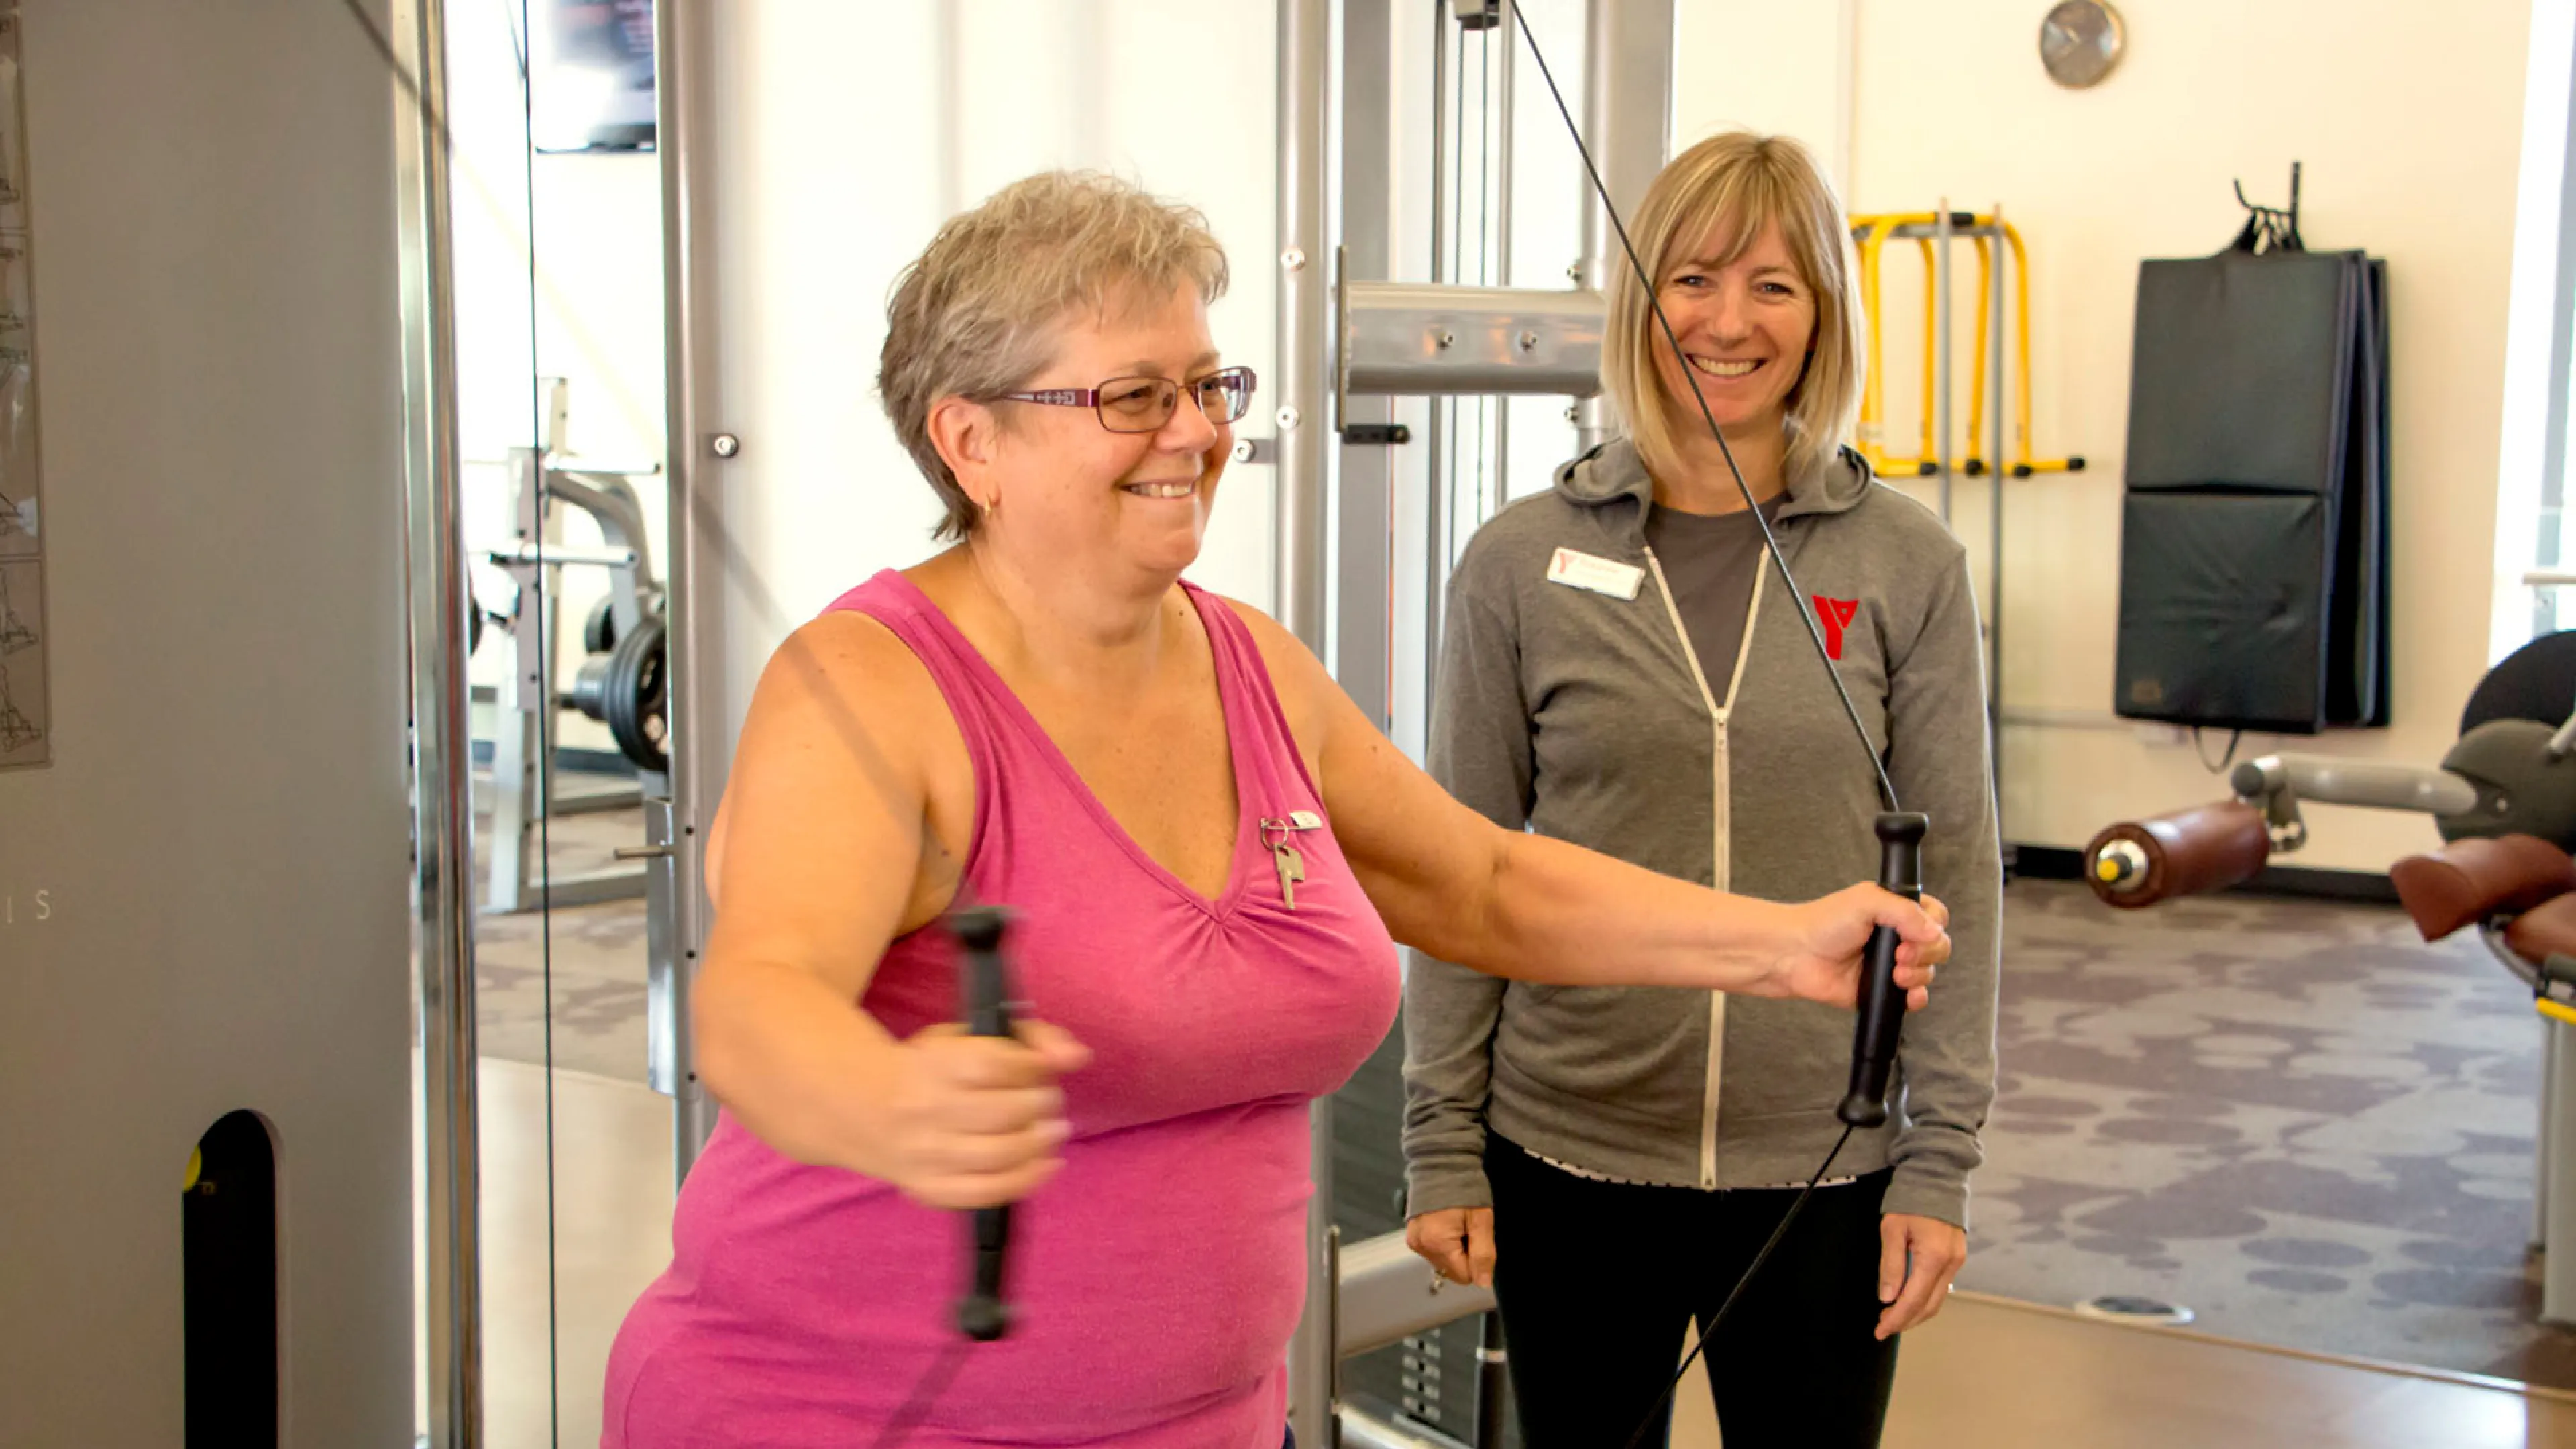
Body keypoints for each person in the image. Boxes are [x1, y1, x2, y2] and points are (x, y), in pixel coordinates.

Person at [600, 169, 1950, 1449]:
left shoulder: (1248, 660)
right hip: (838, 1411)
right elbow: (758, 1002)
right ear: (972, 441)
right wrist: (882, 1101)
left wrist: (1780, 946)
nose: (1198, 432)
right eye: (1134, 395)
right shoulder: (872, 688)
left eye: (1207, 384)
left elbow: (1480, 884)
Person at [1401, 131, 2002, 1448]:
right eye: (1695, 279)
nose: (1730, 323)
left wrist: (1940, 1161)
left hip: (1826, 1160)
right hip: (1569, 1151)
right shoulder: (1518, 563)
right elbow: (1463, 872)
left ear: (1822, 315)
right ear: (1642, 298)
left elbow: (1959, 872)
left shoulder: (1908, 565)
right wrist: (1442, 1136)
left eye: (1773, 285)